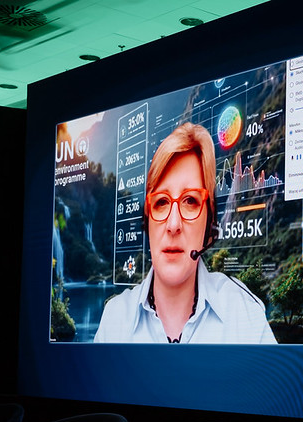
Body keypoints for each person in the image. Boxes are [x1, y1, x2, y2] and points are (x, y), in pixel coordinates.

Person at [95, 123, 276, 344]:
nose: (173, 224)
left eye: (190, 201)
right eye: (161, 202)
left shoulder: (245, 316)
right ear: (147, 219)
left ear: (209, 220)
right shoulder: (114, 319)